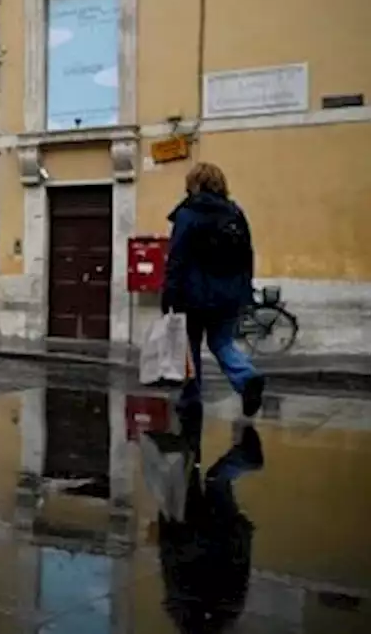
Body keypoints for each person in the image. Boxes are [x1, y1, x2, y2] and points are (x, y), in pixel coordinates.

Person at [161, 163, 266, 416]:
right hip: (229, 294)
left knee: (190, 346)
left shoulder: (188, 214)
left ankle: (191, 398)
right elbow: (246, 254)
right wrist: (245, 290)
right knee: (222, 342)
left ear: (193, 184)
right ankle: (247, 377)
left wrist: (169, 294)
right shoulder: (235, 213)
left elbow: (177, 257)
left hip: (193, 295)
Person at [148, 403, 262, 633]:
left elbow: (241, 569)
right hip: (188, 531)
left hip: (223, 535)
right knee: (189, 471)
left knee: (216, 482)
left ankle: (242, 459)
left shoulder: (227, 614)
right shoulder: (182, 611)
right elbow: (170, 560)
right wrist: (165, 522)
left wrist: (242, 533)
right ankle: (190, 412)